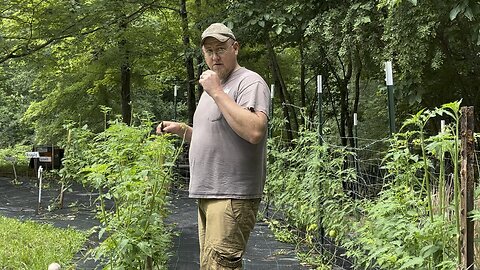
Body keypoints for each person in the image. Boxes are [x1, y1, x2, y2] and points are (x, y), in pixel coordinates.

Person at [157, 22, 270, 269]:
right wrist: (182, 130)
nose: (214, 56)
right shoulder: (212, 89)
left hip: (231, 195)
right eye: (209, 51)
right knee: (210, 265)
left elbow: (254, 130)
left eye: (220, 49)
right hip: (209, 193)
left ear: (235, 48)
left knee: (220, 265)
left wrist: (217, 92)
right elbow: (215, 135)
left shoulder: (249, 82)